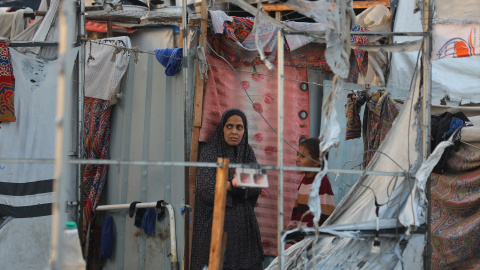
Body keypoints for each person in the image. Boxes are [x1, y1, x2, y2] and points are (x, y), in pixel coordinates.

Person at [191, 109, 264, 270]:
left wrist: (230, 185)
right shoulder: (210, 153)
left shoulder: (247, 152)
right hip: (215, 228)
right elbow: (208, 191)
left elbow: (258, 183)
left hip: (244, 233)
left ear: (244, 130)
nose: (234, 132)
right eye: (229, 126)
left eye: (239, 127)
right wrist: (242, 192)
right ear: (222, 128)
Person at [286, 138, 335, 230]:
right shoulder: (304, 182)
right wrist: (292, 227)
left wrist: (305, 231)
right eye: (298, 155)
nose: (297, 159)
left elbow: (325, 215)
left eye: (303, 156)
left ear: (317, 161)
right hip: (301, 238)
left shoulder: (322, 182)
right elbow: (296, 210)